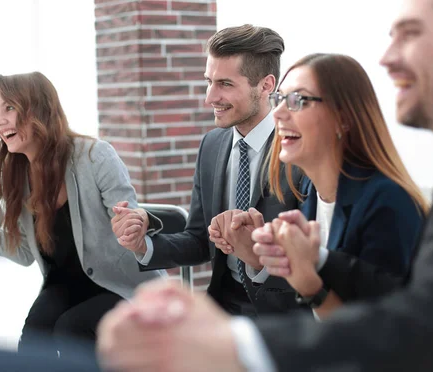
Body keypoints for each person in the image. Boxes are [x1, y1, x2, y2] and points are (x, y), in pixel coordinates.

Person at [96, 0, 433, 370]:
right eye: (284, 100)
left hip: (284, 323)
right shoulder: (246, 158)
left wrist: (248, 320)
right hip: (249, 310)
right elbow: (340, 293)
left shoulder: (353, 187)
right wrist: (148, 246)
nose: (281, 112)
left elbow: (399, 320)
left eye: (296, 101)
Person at [0, 71, 165, 352]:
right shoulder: (18, 174)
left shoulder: (95, 156)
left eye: (10, 108)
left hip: (120, 285)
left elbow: (127, 219)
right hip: (64, 285)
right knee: (35, 336)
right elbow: (24, 251)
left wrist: (131, 223)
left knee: (71, 329)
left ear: (39, 108)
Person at [111, 24, 304, 318]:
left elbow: (313, 260)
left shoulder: (298, 149)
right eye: (209, 81)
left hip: (283, 313)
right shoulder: (212, 145)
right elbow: (199, 240)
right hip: (222, 304)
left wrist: (257, 255)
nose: (209, 97)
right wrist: (144, 245)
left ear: (266, 85)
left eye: (225, 84)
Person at [247, 53, 426, 319]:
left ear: (344, 118)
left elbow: (383, 337)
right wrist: (260, 257)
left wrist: (310, 286)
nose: (278, 112)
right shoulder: (309, 193)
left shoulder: (388, 201)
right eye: (279, 98)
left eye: (298, 100)